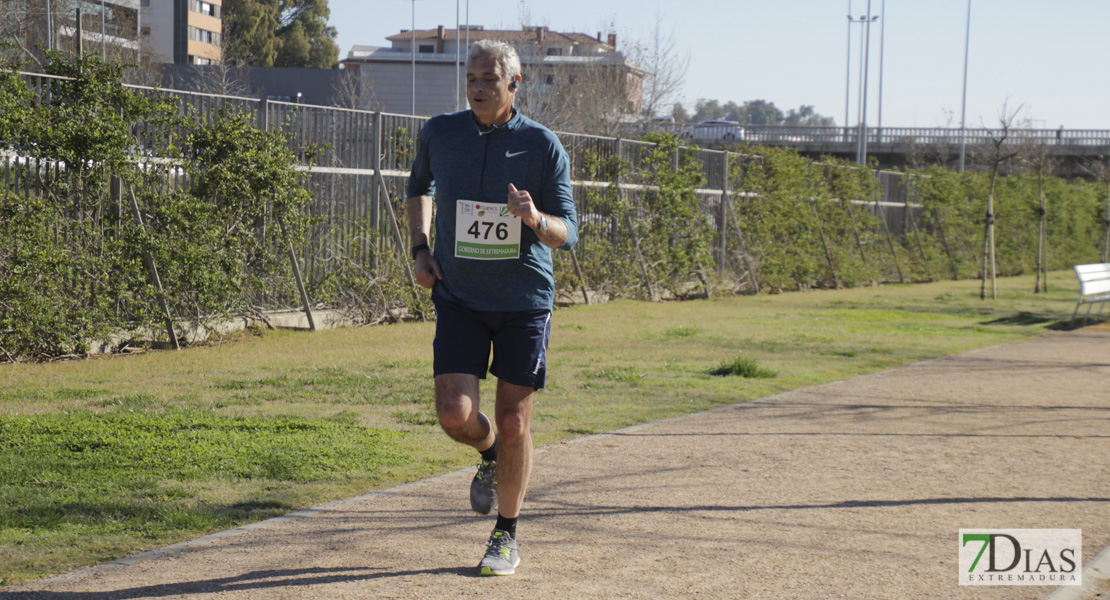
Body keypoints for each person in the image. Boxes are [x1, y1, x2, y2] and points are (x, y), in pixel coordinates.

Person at [405, 39, 578, 577]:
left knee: (512, 421)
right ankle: (487, 457)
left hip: (524, 302)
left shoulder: (543, 146)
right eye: (471, 79)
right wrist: (421, 248)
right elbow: (418, 186)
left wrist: (534, 218)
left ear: (513, 85)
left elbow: (567, 232)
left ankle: (506, 534)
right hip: (459, 295)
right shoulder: (441, 132)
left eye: (488, 80)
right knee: (455, 416)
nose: (477, 88)